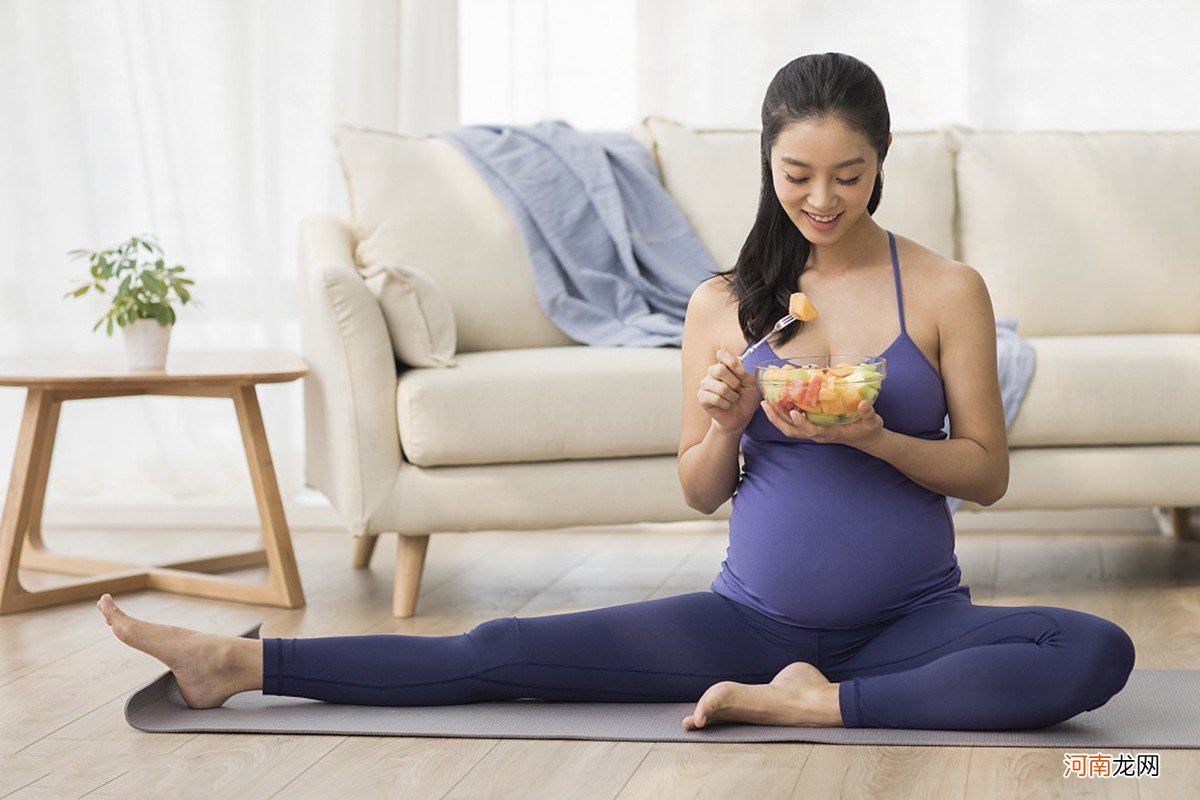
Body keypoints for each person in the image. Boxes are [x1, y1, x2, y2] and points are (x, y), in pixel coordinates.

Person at [96, 52, 1135, 731]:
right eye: (797, 175)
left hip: (915, 620)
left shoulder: (948, 288)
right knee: (504, 649)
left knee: (1092, 648)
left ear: (882, 162)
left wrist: (874, 436)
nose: (823, 199)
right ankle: (241, 662)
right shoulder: (725, 302)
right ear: (767, 163)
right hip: (750, 622)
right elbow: (695, 488)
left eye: (849, 175)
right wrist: (725, 426)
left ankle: (822, 707)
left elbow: (988, 475)